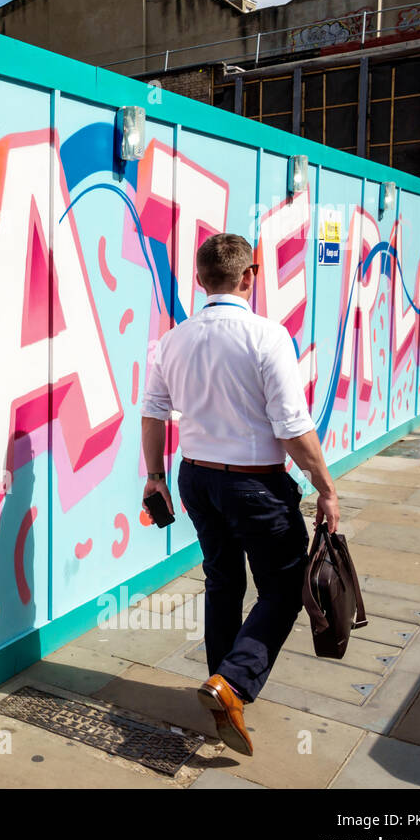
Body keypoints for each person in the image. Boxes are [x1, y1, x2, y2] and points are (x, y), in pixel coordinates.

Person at [139, 232, 340, 756]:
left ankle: (221, 683)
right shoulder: (268, 336)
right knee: (284, 585)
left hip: (196, 479)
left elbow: (154, 412)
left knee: (223, 580)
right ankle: (232, 683)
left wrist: (155, 476)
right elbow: (293, 427)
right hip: (255, 485)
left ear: (200, 280)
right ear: (249, 276)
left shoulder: (172, 340)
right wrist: (326, 487)